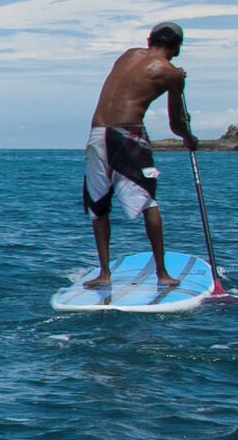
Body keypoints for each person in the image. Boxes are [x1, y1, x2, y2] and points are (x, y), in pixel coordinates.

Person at [82, 21, 197, 299]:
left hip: (98, 133)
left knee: (99, 203)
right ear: (178, 47)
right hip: (128, 135)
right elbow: (176, 123)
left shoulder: (128, 54)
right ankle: (162, 273)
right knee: (149, 201)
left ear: (149, 39)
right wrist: (189, 138)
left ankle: (104, 274)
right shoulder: (171, 73)